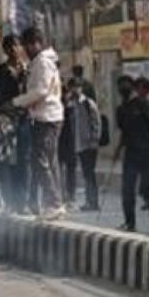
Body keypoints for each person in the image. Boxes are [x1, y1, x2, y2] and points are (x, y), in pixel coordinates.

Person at [11, 27, 66, 219]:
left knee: (40, 160)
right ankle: (55, 203)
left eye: (27, 45)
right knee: (49, 161)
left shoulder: (43, 62)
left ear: (36, 44)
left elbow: (41, 91)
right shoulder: (40, 62)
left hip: (47, 117)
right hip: (45, 116)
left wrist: (17, 102)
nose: (25, 50)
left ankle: (54, 202)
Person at [114, 75, 149, 231]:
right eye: (121, 86)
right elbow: (124, 132)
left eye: (126, 85)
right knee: (127, 189)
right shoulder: (121, 110)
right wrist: (118, 150)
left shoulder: (145, 104)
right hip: (131, 153)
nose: (123, 88)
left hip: (147, 152)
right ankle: (130, 222)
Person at [0, 34, 29, 213]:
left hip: (24, 120)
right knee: (7, 162)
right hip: (5, 121)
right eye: (10, 46)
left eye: (17, 45)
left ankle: (23, 202)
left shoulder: (27, 71)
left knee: (23, 161)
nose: (14, 49)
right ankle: (10, 201)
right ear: (6, 50)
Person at [67, 78, 103, 211]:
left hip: (89, 144)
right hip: (80, 144)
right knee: (86, 173)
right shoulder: (72, 105)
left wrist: (94, 139)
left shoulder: (88, 103)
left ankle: (93, 202)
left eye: (76, 87)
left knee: (89, 173)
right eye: (72, 87)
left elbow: (96, 122)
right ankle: (89, 201)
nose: (74, 90)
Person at [59, 76, 79, 208]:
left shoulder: (76, 103)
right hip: (60, 140)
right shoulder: (58, 103)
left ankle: (70, 196)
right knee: (59, 168)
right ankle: (62, 195)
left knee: (71, 169)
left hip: (72, 140)